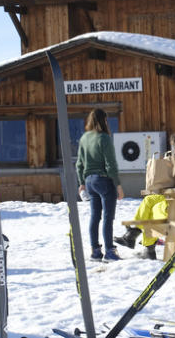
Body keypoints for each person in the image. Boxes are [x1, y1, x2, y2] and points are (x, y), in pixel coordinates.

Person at [113, 132, 175, 259]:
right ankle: (133, 235)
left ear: (174, 148)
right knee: (150, 201)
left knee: (150, 208)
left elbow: (170, 187)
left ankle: (144, 245)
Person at [76, 109, 124, 261]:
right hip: (104, 180)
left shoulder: (84, 138)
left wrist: (82, 183)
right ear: (104, 120)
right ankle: (110, 251)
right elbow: (110, 164)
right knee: (108, 217)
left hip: (90, 181)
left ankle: (95, 251)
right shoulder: (104, 138)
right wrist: (118, 184)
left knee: (95, 216)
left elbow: (79, 164)